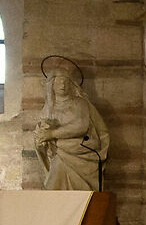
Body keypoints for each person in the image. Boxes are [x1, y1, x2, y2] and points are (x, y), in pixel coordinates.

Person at [36, 58, 110, 191]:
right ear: (52, 84)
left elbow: (80, 126)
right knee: (53, 182)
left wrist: (52, 134)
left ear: (71, 84)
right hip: (59, 156)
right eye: (59, 81)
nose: (62, 85)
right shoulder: (48, 108)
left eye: (66, 81)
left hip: (82, 150)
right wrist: (40, 139)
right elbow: (40, 132)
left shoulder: (79, 103)